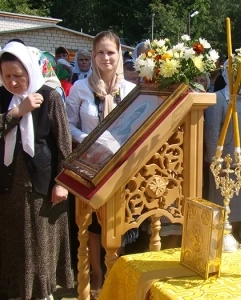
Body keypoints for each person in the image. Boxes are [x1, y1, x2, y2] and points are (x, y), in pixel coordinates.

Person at [0, 41, 73, 299]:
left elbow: (64, 144)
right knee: (14, 246)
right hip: (9, 189)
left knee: (41, 247)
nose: (12, 82)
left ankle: (43, 293)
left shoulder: (50, 96)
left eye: (17, 76)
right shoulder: (3, 99)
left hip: (43, 187)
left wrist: (62, 182)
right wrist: (18, 111)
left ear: (30, 71)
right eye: (6, 76)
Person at [66, 30, 136, 299]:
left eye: (111, 52)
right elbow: (69, 124)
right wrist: (88, 139)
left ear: (119, 54)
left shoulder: (130, 90)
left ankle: (116, 273)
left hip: (121, 165)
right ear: (93, 56)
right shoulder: (81, 89)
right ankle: (96, 275)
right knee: (94, 225)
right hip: (91, 164)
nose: (105, 57)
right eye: (100, 52)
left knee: (118, 220)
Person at [204, 60, 241, 240]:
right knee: (228, 195)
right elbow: (212, 132)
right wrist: (217, 161)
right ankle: (227, 229)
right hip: (228, 156)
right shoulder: (220, 97)